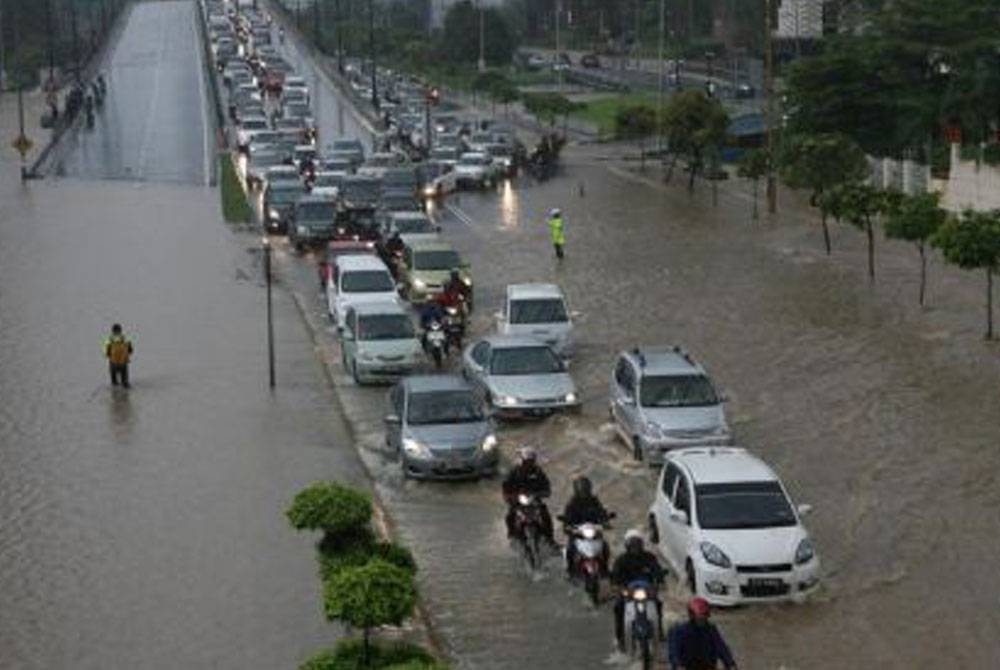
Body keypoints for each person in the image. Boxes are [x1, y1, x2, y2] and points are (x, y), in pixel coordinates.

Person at [611, 530, 666, 653]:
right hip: (628, 592)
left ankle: (660, 631)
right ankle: (620, 637)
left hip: (647, 590)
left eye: (637, 544)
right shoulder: (621, 560)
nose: (635, 547)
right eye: (632, 544)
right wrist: (617, 587)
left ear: (641, 545)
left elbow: (657, 570)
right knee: (618, 607)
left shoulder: (649, 557)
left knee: (658, 604)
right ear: (627, 545)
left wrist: (660, 582)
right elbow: (615, 577)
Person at [501, 447, 556, 546]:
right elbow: (506, 487)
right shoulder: (513, 472)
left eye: (531, 461)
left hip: (534, 500)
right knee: (509, 515)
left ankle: (550, 539)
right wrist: (508, 496)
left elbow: (546, 486)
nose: (529, 464)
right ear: (522, 460)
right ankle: (512, 535)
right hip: (517, 501)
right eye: (527, 461)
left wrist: (543, 493)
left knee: (545, 514)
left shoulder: (538, 472)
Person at [667, 598, 738, 670]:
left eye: (704, 618)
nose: (702, 621)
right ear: (692, 616)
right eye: (700, 619)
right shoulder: (679, 632)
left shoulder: (711, 630)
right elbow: (674, 651)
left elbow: (721, 647)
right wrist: (677, 665)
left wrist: (730, 663)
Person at [561, 476, 611, 577]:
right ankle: (570, 570)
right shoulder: (572, 503)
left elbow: (601, 512)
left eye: (585, 490)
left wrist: (605, 521)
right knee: (569, 549)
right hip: (577, 532)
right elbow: (567, 518)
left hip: (594, 530)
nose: (584, 493)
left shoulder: (594, 501)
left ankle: (604, 567)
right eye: (582, 490)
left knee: (605, 547)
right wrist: (568, 526)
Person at [104, 323, 134, 388]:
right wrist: (129, 353)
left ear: (112, 331)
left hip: (113, 361)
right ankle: (125, 384)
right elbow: (130, 348)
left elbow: (107, 349)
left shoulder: (110, 338)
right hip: (123, 360)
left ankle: (114, 386)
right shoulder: (124, 337)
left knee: (113, 375)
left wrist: (107, 355)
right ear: (120, 330)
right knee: (124, 374)